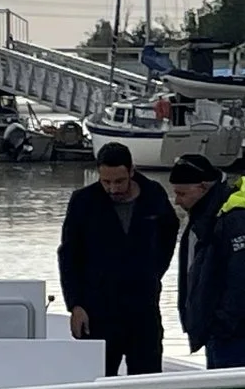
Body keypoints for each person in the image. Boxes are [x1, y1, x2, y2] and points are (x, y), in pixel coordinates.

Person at [57, 142, 178, 375]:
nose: (112, 189)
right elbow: (69, 255)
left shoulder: (154, 194)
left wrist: (152, 273)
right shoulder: (83, 201)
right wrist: (75, 305)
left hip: (143, 309)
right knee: (97, 381)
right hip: (97, 311)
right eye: (106, 182)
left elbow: (169, 234)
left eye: (119, 181)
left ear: (132, 171)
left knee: (147, 379)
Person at [170, 153, 245, 369]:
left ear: (203, 187)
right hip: (220, 334)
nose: (177, 201)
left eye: (182, 193)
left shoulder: (237, 221)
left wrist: (221, 323)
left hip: (238, 336)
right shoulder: (206, 218)